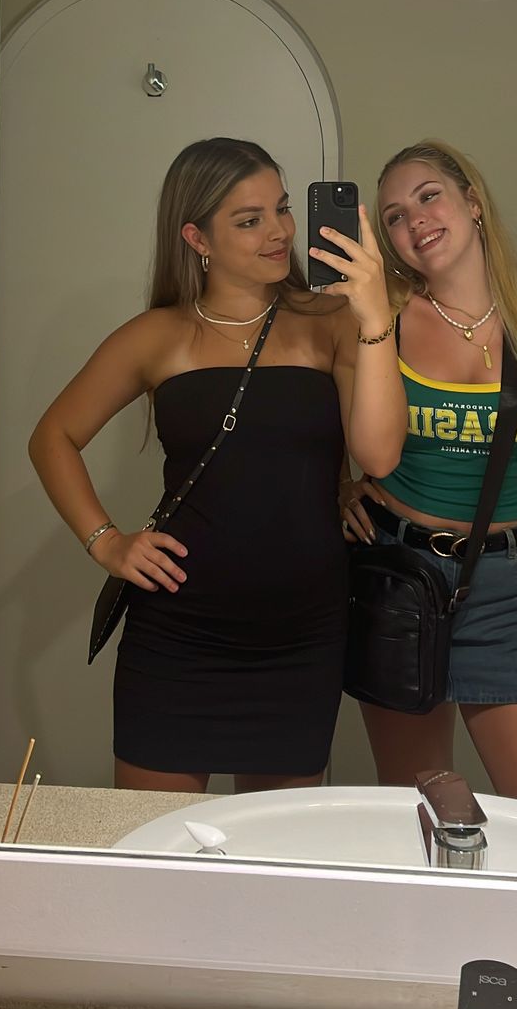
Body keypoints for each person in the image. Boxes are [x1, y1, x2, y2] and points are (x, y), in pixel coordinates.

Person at [29, 137, 406, 794]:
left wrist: (374, 316)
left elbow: (378, 455)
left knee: (275, 849)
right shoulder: (157, 336)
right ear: (197, 237)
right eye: (249, 220)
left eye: (282, 209)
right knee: (156, 846)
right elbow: (52, 436)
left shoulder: (331, 321)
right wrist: (106, 541)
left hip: (301, 636)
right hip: (179, 636)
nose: (279, 232)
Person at [340, 139, 517, 815]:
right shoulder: (381, 320)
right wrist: (334, 487)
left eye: (428, 196)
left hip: (515, 592)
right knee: (423, 819)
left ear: (473, 202)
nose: (415, 221)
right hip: (401, 580)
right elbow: (369, 453)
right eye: (394, 216)